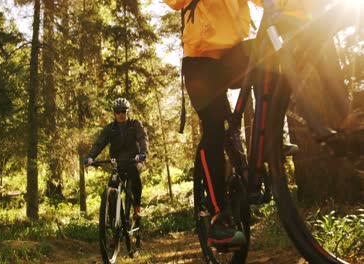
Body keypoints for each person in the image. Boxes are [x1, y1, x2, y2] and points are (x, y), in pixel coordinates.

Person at [164, 0, 361, 249]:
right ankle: (218, 217)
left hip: (233, 52)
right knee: (214, 129)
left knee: (269, 52)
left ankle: (269, 135)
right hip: (200, 60)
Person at [84, 98, 149, 218]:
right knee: (112, 186)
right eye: (118, 112)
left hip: (133, 160)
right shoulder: (109, 129)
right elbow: (99, 144)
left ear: (127, 111)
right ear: (114, 113)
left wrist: (143, 153)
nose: (121, 114)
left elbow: (143, 138)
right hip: (117, 162)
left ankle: (137, 208)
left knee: (134, 172)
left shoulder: (135, 124)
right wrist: (90, 157)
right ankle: (114, 224)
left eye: (123, 111)